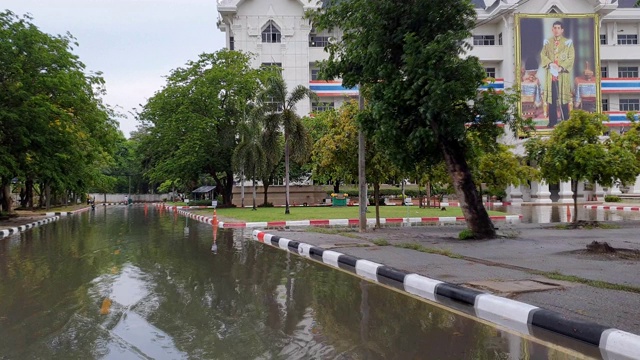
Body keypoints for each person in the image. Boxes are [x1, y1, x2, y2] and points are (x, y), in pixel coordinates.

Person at [540, 20, 575, 127]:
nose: (556, 30)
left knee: (564, 99)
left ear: (562, 30)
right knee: (551, 100)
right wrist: (550, 63)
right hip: (551, 76)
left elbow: (571, 57)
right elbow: (543, 55)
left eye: (558, 28)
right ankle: (552, 121)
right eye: (554, 28)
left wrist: (561, 67)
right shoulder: (548, 42)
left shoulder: (568, 43)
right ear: (552, 29)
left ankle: (565, 121)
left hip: (562, 75)